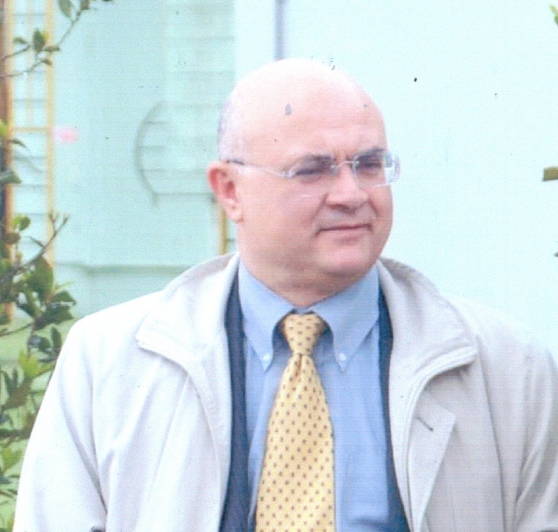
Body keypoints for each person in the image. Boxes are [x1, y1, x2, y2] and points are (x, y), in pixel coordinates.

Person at [14, 58, 558, 531]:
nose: (351, 194)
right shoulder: (107, 362)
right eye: (312, 170)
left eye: (369, 165)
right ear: (229, 191)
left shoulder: (507, 369)